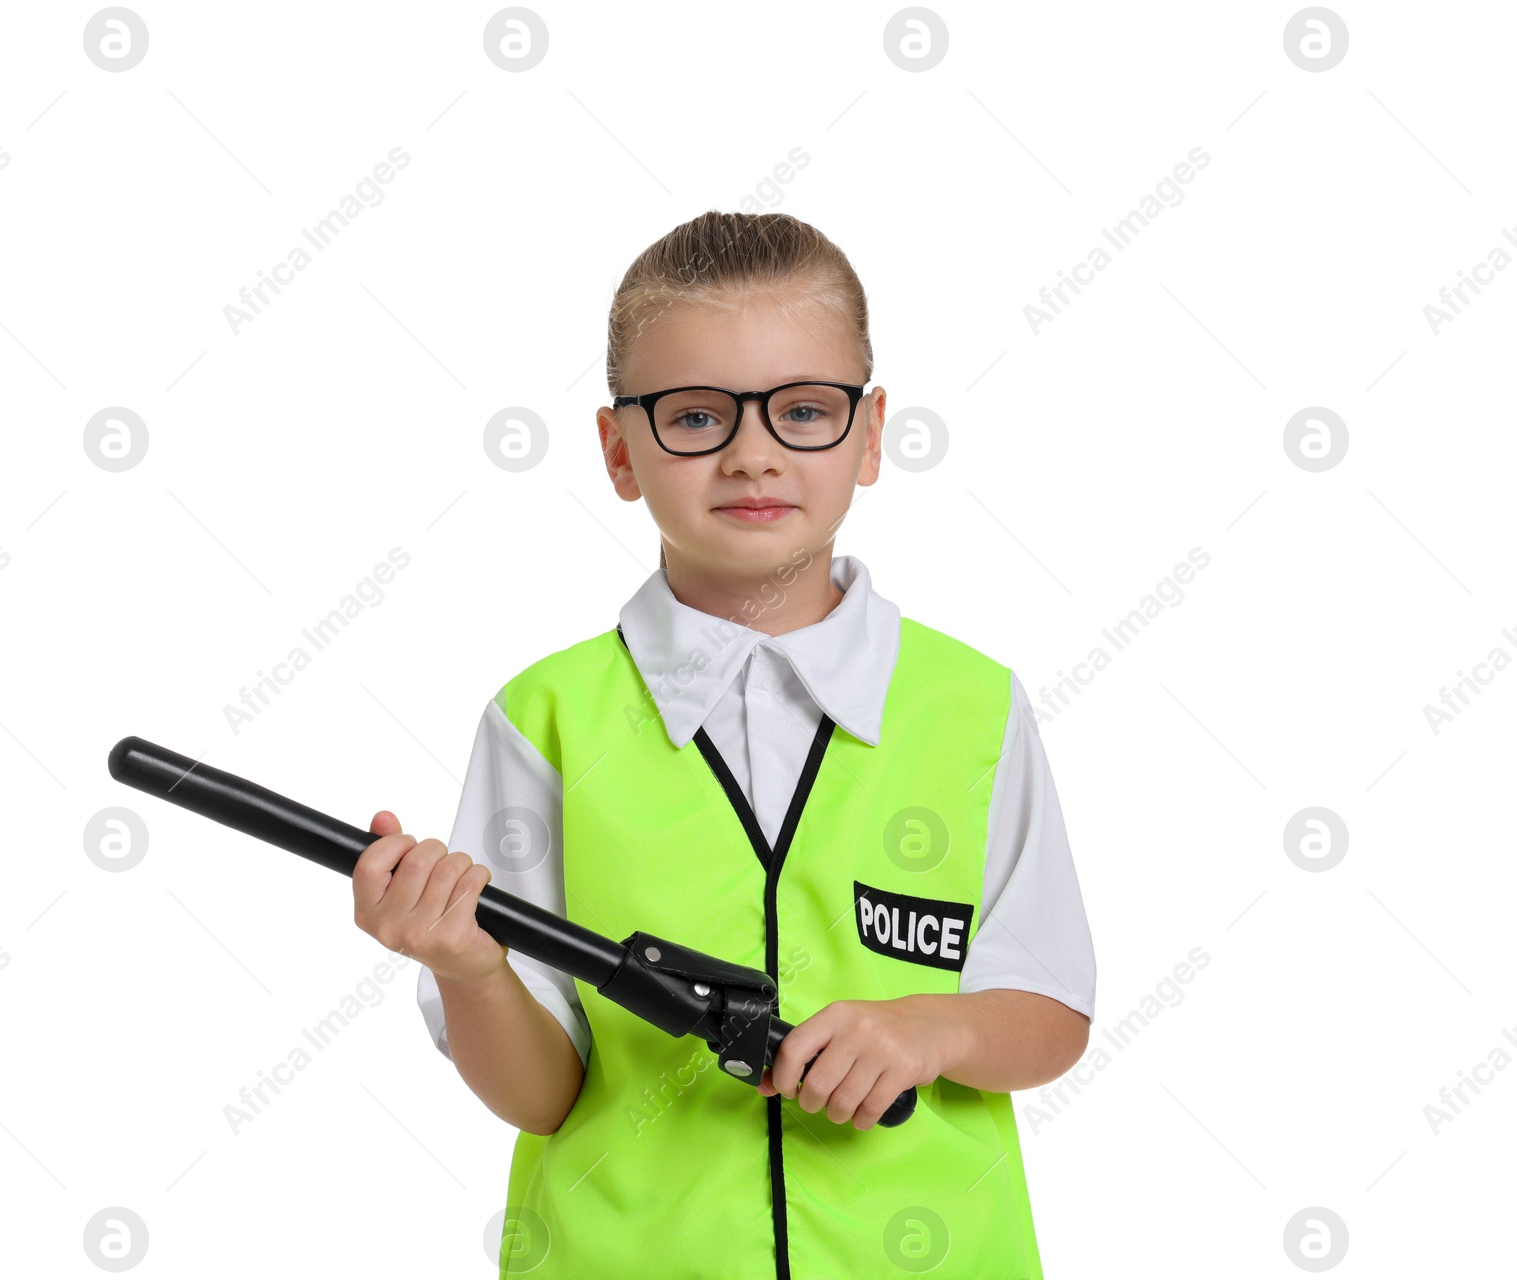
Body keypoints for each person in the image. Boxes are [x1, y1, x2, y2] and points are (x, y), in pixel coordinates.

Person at [352, 211, 1096, 1279]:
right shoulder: (547, 715)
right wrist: (466, 966)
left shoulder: (973, 706)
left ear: (871, 432)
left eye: (803, 409)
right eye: (695, 416)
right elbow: (539, 1093)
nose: (752, 453)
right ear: (619, 449)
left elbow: (1051, 1011)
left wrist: (933, 1028)